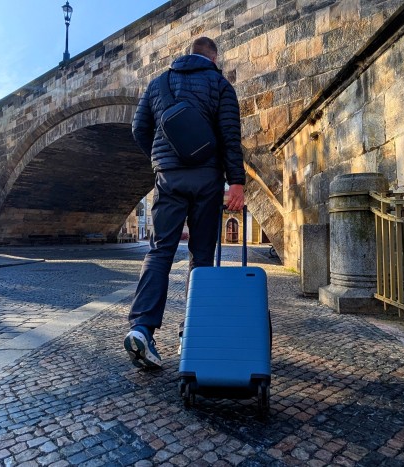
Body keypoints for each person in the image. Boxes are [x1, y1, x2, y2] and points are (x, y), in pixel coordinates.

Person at [124, 36, 246, 369]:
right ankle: (192, 331)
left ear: (188, 55)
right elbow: (229, 136)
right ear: (214, 58)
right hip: (207, 179)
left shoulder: (157, 83)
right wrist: (236, 181)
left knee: (160, 250)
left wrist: (162, 158)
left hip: (168, 179)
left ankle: (142, 328)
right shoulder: (219, 85)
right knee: (201, 255)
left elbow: (139, 128)